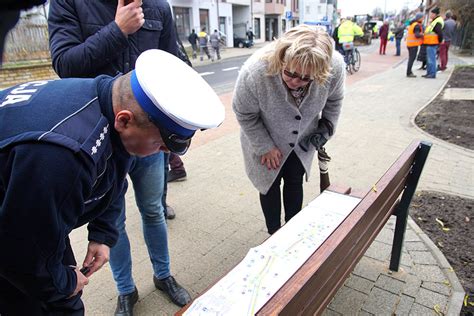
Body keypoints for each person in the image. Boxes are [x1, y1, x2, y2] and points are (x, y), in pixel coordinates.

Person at [0, 49, 224, 315]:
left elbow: (113, 174)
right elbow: (20, 254)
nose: (165, 153)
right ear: (125, 120)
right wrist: (64, 283)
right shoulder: (66, 156)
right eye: (161, 145)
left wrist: (102, 234)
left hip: (23, 217)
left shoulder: (108, 101)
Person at [47, 1, 192, 314]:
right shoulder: (69, 3)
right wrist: (117, 30)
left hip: (150, 137)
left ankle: (163, 275)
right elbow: (64, 64)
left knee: (153, 209)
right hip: (100, 141)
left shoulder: (158, 7)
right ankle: (126, 289)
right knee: (113, 221)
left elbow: (173, 63)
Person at [232, 25, 345, 235]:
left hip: (303, 139)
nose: (295, 81)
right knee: (269, 185)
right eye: (290, 73)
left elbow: (335, 99)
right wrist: (264, 146)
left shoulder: (335, 67)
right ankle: (274, 233)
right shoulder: (255, 71)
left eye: (305, 78)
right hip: (265, 138)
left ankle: (292, 231)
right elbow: (244, 113)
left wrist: (326, 129)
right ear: (282, 59)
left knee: (295, 181)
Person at [422, 7, 444, 78]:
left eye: (431, 13)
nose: (430, 15)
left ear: (435, 14)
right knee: (429, 59)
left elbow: (439, 33)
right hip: (430, 42)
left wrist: (440, 41)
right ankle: (429, 73)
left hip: (432, 43)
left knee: (431, 59)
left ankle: (432, 74)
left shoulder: (437, 22)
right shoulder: (434, 21)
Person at [406, 12, 425, 78]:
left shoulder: (413, 24)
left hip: (410, 44)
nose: (423, 19)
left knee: (411, 59)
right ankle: (409, 73)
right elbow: (417, 35)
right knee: (411, 59)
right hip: (413, 45)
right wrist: (423, 35)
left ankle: (409, 72)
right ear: (419, 18)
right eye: (422, 18)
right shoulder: (416, 25)